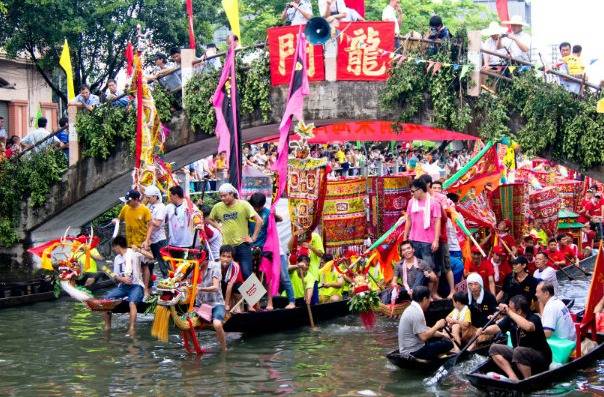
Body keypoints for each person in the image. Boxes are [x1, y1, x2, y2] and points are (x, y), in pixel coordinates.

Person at [480, 295, 552, 381]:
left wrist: (509, 312)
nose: (507, 310)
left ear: (519, 311)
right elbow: (496, 328)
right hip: (519, 355)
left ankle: (527, 381)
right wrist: (483, 330)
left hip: (541, 358)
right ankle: (513, 377)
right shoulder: (510, 319)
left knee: (519, 351)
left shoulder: (534, 318)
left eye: (510, 308)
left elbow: (528, 327)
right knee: (494, 348)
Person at [208, 183, 263, 280]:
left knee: (247, 273)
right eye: (221, 196)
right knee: (225, 275)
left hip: (243, 244)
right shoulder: (218, 207)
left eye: (225, 196)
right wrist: (218, 227)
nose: (222, 198)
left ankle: (256, 296)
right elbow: (209, 219)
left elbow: (259, 220)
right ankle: (232, 295)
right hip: (227, 245)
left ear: (232, 194)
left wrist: (253, 238)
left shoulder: (243, 205)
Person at [402, 178, 442, 298]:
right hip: (414, 240)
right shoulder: (411, 202)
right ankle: (419, 295)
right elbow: (408, 220)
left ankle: (429, 295)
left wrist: (436, 240)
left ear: (420, 190)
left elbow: (437, 221)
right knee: (417, 270)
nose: (412, 194)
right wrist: (405, 237)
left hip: (427, 242)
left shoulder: (434, 203)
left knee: (429, 270)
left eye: (413, 191)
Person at [103, 236, 147, 335]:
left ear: (118, 246)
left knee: (132, 303)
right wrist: (121, 279)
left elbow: (152, 257)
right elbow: (115, 276)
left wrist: (139, 249)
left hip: (136, 285)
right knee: (106, 300)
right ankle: (107, 326)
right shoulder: (117, 258)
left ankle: (131, 328)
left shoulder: (134, 253)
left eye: (113, 247)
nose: (113, 250)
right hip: (123, 287)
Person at [397, 285, 453, 359]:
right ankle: (438, 357)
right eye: (429, 298)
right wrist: (437, 326)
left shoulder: (412, 308)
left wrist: (443, 335)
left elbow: (425, 329)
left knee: (439, 339)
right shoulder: (416, 312)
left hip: (407, 350)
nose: (431, 300)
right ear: (424, 299)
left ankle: (437, 355)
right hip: (413, 352)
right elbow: (424, 337)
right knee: (448, 344)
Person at [195, 256, 227, 351]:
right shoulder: (195, 267)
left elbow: (215, 287)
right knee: (185, 323)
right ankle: (193, 348)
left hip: (216, 303)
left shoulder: (215, 266)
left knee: (217, 324)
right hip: (201, 304)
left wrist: (200, 289)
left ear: (206, 259)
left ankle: (224, 348)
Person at [142, 185, 169, 279]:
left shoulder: (161, 207)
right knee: (148, 264)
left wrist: (148, 217)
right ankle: (150, 286)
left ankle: (169, 284)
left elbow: (157, 223)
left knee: (164, 264)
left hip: (159, 240)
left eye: (149, 198)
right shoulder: (149, 206)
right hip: (149, 240)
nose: (147, 199)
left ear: (155, 196)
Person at [465, 272, 498, 346]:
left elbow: (496, 312)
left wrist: (493, 316)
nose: (473, 287)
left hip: (486, 329)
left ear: (480, 285)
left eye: (476, 284)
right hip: (472, 326)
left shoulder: (489, 297)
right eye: (470, 284)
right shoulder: (466, 297)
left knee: (477, 340)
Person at [165, 185, 201, 250]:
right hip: (173, 243)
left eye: (170, 196)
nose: (169, 198)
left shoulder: (189, 206)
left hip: (186, 243)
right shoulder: (169, 207)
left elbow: (197, 218)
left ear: (176, 195)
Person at [218, 244, 243, 312]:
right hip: (222, 284)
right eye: (223, 256)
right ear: (219, 256)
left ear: (232, 258)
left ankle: (237, 305)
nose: (225, 259)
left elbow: (230, 285)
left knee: (238, 287)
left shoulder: (235, 266)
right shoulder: (216, 264)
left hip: (234, 285)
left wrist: (226, 305)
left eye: (229, 257)